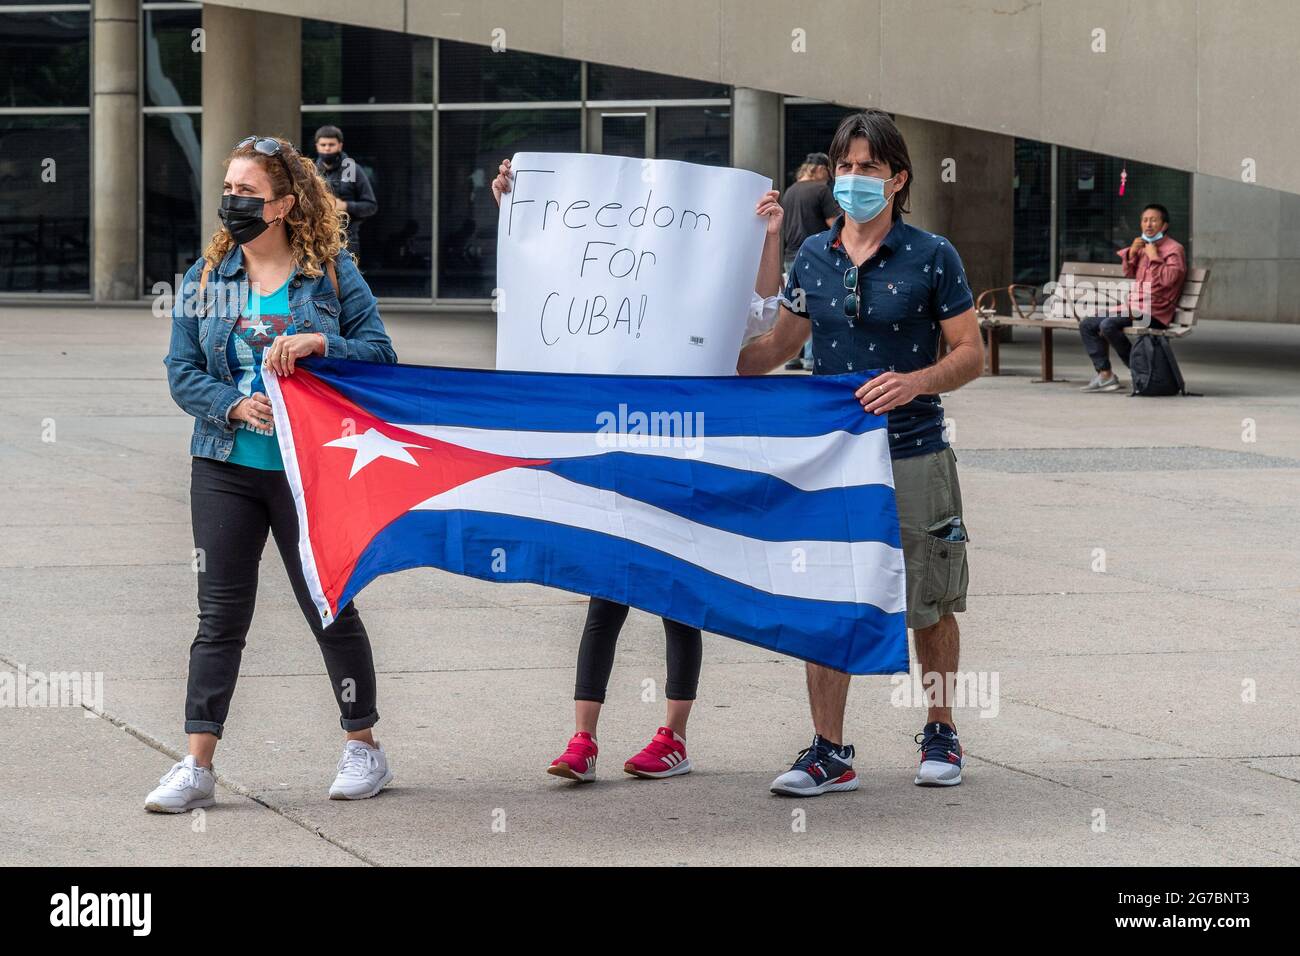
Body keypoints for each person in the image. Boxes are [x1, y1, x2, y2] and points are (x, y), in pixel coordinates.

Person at [490, 157, 785, 782]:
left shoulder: (712, 286)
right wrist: (516, 207)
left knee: (680, 594)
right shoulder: (614, 280)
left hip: (686, 450)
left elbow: (764, 308)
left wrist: (767, 236)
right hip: (619, 445)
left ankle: (673, 735)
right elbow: (552, 268)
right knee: (607, 591)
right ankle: (582, 737)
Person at [737, 109, 985, 794]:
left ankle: (941, 730)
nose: (852, 179)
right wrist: (689, 353)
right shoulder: (813, 256)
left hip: (913, 452)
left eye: (868, 168)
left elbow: (970, 354)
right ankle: (829, 750)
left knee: (930, 599)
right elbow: (777, 349)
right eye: (844, 166)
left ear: (897, 178)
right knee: (827, 600)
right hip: (833, 461)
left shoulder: (934, 254)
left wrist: (917, 382)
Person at [152, 135, 398, 813]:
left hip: (307, 467)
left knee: (329, 602)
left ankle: (364, 746)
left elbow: (380, 355)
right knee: (220, 617)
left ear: (286, 204)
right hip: (225, 465)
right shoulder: (207, 277)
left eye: (247, 194)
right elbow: (182, 372)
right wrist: (232, 403)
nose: (232, 202)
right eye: (228, 190)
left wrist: (324, 342)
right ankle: (198, 763)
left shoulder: (331, 273)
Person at [1079, 203, 1187, 392]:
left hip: (1155, 310)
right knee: (1087, 324)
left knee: (1108, 325)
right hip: (1134, 307)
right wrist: (1131, 253)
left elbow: (1169, 280)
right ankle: (1105, 375)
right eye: (1145, 220)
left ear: (1164, 225)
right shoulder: (1144, 245)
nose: (1149, 225)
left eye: (1154, 220)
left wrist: (1154, 258)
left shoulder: (1174, 249)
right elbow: (1129, 273)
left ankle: (1140, 371)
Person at [780, 152, 840, 370]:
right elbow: (835, 223)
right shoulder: (821, 190)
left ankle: (791, 357)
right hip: (817, 256)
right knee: (817, 307)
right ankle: (810, 359)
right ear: (822, 170)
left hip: (790, 256)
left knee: (796, 307)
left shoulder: (790, 191)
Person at [314, 125, 378, 266]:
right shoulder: (311, 172)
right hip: (317, 238)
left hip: (347, 238)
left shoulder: (353, 169)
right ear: (317, 146)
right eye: (323, 145)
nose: (327, 149)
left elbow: (371, 206)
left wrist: (345, 206)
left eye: (331, 145)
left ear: (340, 145)